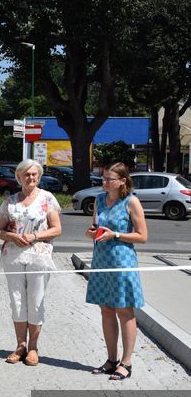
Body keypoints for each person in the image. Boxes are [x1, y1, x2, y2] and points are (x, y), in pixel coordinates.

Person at [0, 159, 61, 366]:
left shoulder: (47, 199)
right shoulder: (10, 201)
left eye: (34, 174)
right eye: (26, 174)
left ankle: (33, 347)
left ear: (38, 176)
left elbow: (57, 229)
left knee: (35, 300)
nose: (30, 178)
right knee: (17, 301)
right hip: (13, 256)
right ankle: (20, 345)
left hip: (38, 256)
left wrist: (35, 236)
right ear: (19, 177)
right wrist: (11, 236)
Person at [85, 162, 147, 381]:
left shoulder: (131, 201)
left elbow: (142, 236)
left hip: (122, 261)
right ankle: (111, 360)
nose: (104, 182)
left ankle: (126, 363)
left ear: (122, 181)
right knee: (106, 309)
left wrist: (116, 235)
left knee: (124, 311)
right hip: (101, 260)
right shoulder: (99, 200)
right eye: (103, 178)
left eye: (109, 179)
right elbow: (97, 227)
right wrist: (92, 232)